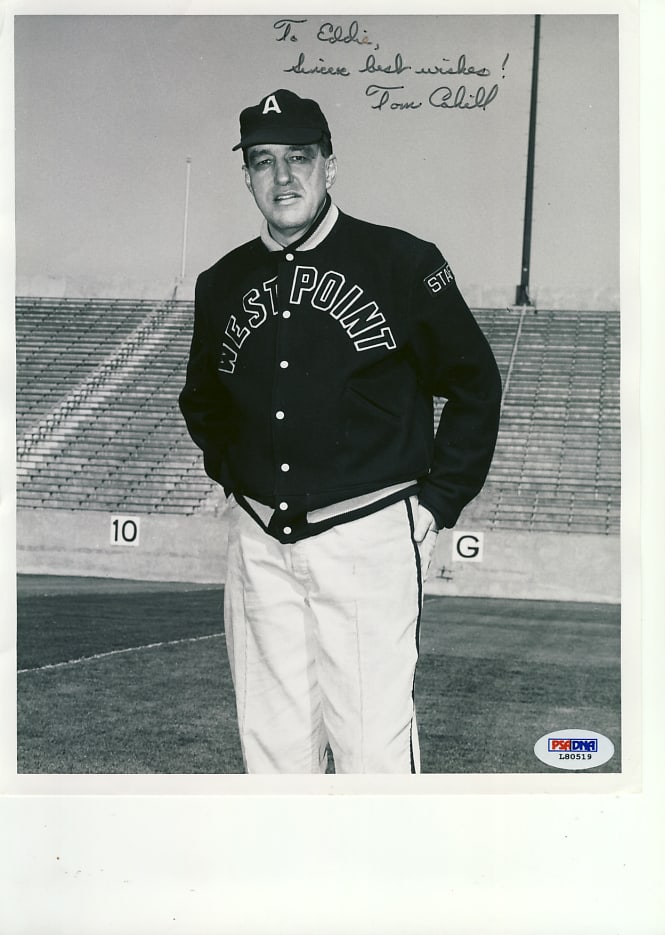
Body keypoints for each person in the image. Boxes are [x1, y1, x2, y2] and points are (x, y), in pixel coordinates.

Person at [179, 88, 502, 774]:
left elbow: (476, 384)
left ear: (331, 165)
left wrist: (438, 502)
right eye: (263, 162)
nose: (283, 176)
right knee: (273, 757)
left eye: (300, 157)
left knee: (372, 756)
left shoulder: (403, 263)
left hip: (368, 537)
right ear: (246, 176)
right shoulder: (222, 282)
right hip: (260, 544)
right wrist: (239, 482)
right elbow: (201, 401)